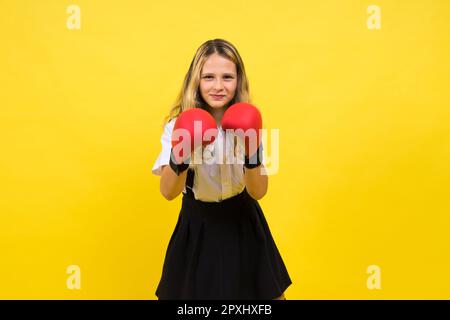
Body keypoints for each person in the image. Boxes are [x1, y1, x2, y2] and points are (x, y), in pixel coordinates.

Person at [152, 38, 292, 300]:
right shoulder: (177, 125)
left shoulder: (250, 120)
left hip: (243, 220)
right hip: (197, 223)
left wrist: (252, 149)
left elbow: (259, 191)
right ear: (196, 80)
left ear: (238, 80)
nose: (218, 86)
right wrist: (181, 152)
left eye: (227, 77)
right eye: (208, 77)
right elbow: (168, 192)